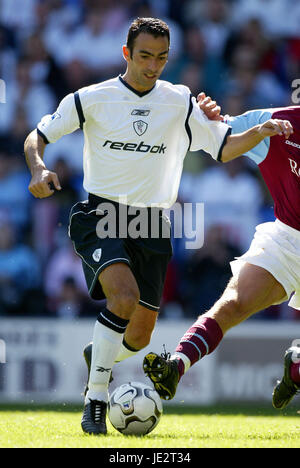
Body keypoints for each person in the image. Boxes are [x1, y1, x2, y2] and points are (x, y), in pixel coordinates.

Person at [24, 17, 293, 435]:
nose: (153, 66)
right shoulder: (92, 98)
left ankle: (101, 353)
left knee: (141, 334)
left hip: (152, 221)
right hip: (103, 214)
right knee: (124, 298)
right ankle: (95, 399)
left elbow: (222, 148)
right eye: (145, 56)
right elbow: (36, 135)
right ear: (127, 53)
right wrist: (38, 168)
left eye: (162, 58)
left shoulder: (180, 101)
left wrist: (259, 130)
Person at [143, 100, 300, 410]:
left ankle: (296, 367)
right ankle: (177, 364)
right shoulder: (277, 122)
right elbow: (221, 133)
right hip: (288, 239)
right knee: (233, 304)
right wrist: (210, 118)